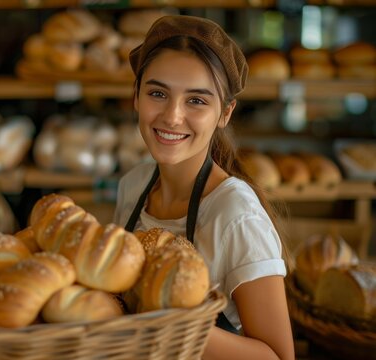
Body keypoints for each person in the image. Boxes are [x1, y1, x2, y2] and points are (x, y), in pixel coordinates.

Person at [114, 15, 295, 360]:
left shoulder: (235, 214)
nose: (172, 116)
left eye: (196, 101)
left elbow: (278, 356)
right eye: (157, 93)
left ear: (225, 114)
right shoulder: (133, 186)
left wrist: (172, 330)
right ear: (135, 97)